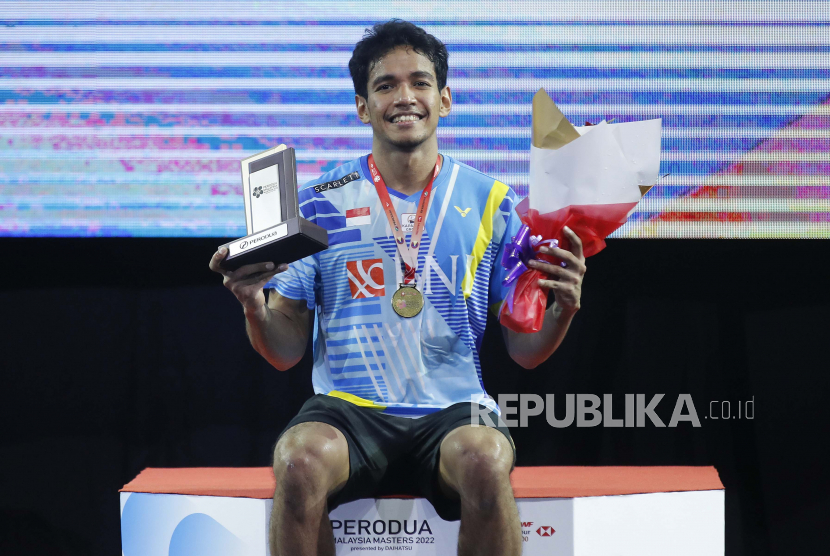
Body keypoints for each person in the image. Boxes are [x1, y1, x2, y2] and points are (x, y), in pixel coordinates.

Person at [209, 20, 586, 556]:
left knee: (484, 459)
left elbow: (525, 353)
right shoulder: (319, 200)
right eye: (385, 85)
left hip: (456, 409)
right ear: (363, 106)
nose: (404, 97)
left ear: (445, 98)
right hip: (347, 408)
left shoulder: (494, 202)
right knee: (298, 458)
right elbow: (284, 351)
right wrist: (253, 305)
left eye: (420, 82)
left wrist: (564, 309)